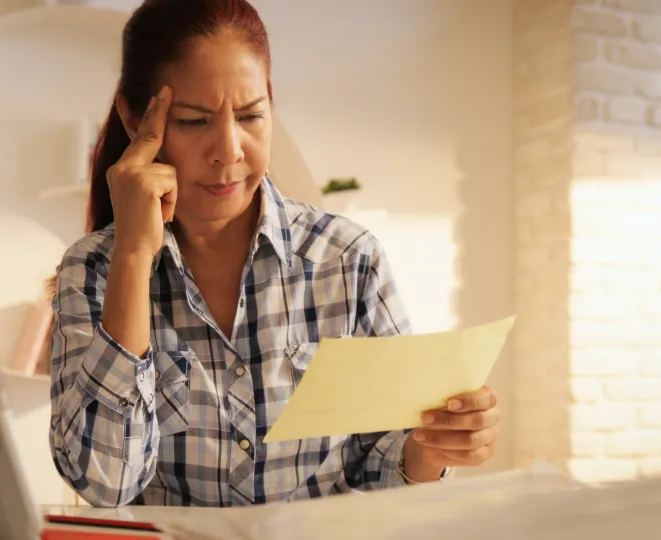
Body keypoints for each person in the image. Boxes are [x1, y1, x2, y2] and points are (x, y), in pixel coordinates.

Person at [48, 0, 501, 508]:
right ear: (136, 122)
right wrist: (132, 255)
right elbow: (104, 483)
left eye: (250, 116)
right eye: (195, 121)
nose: (229, 150)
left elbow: (381, 466)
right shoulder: (92, 270)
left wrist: (433, 446)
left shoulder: (347, 259)